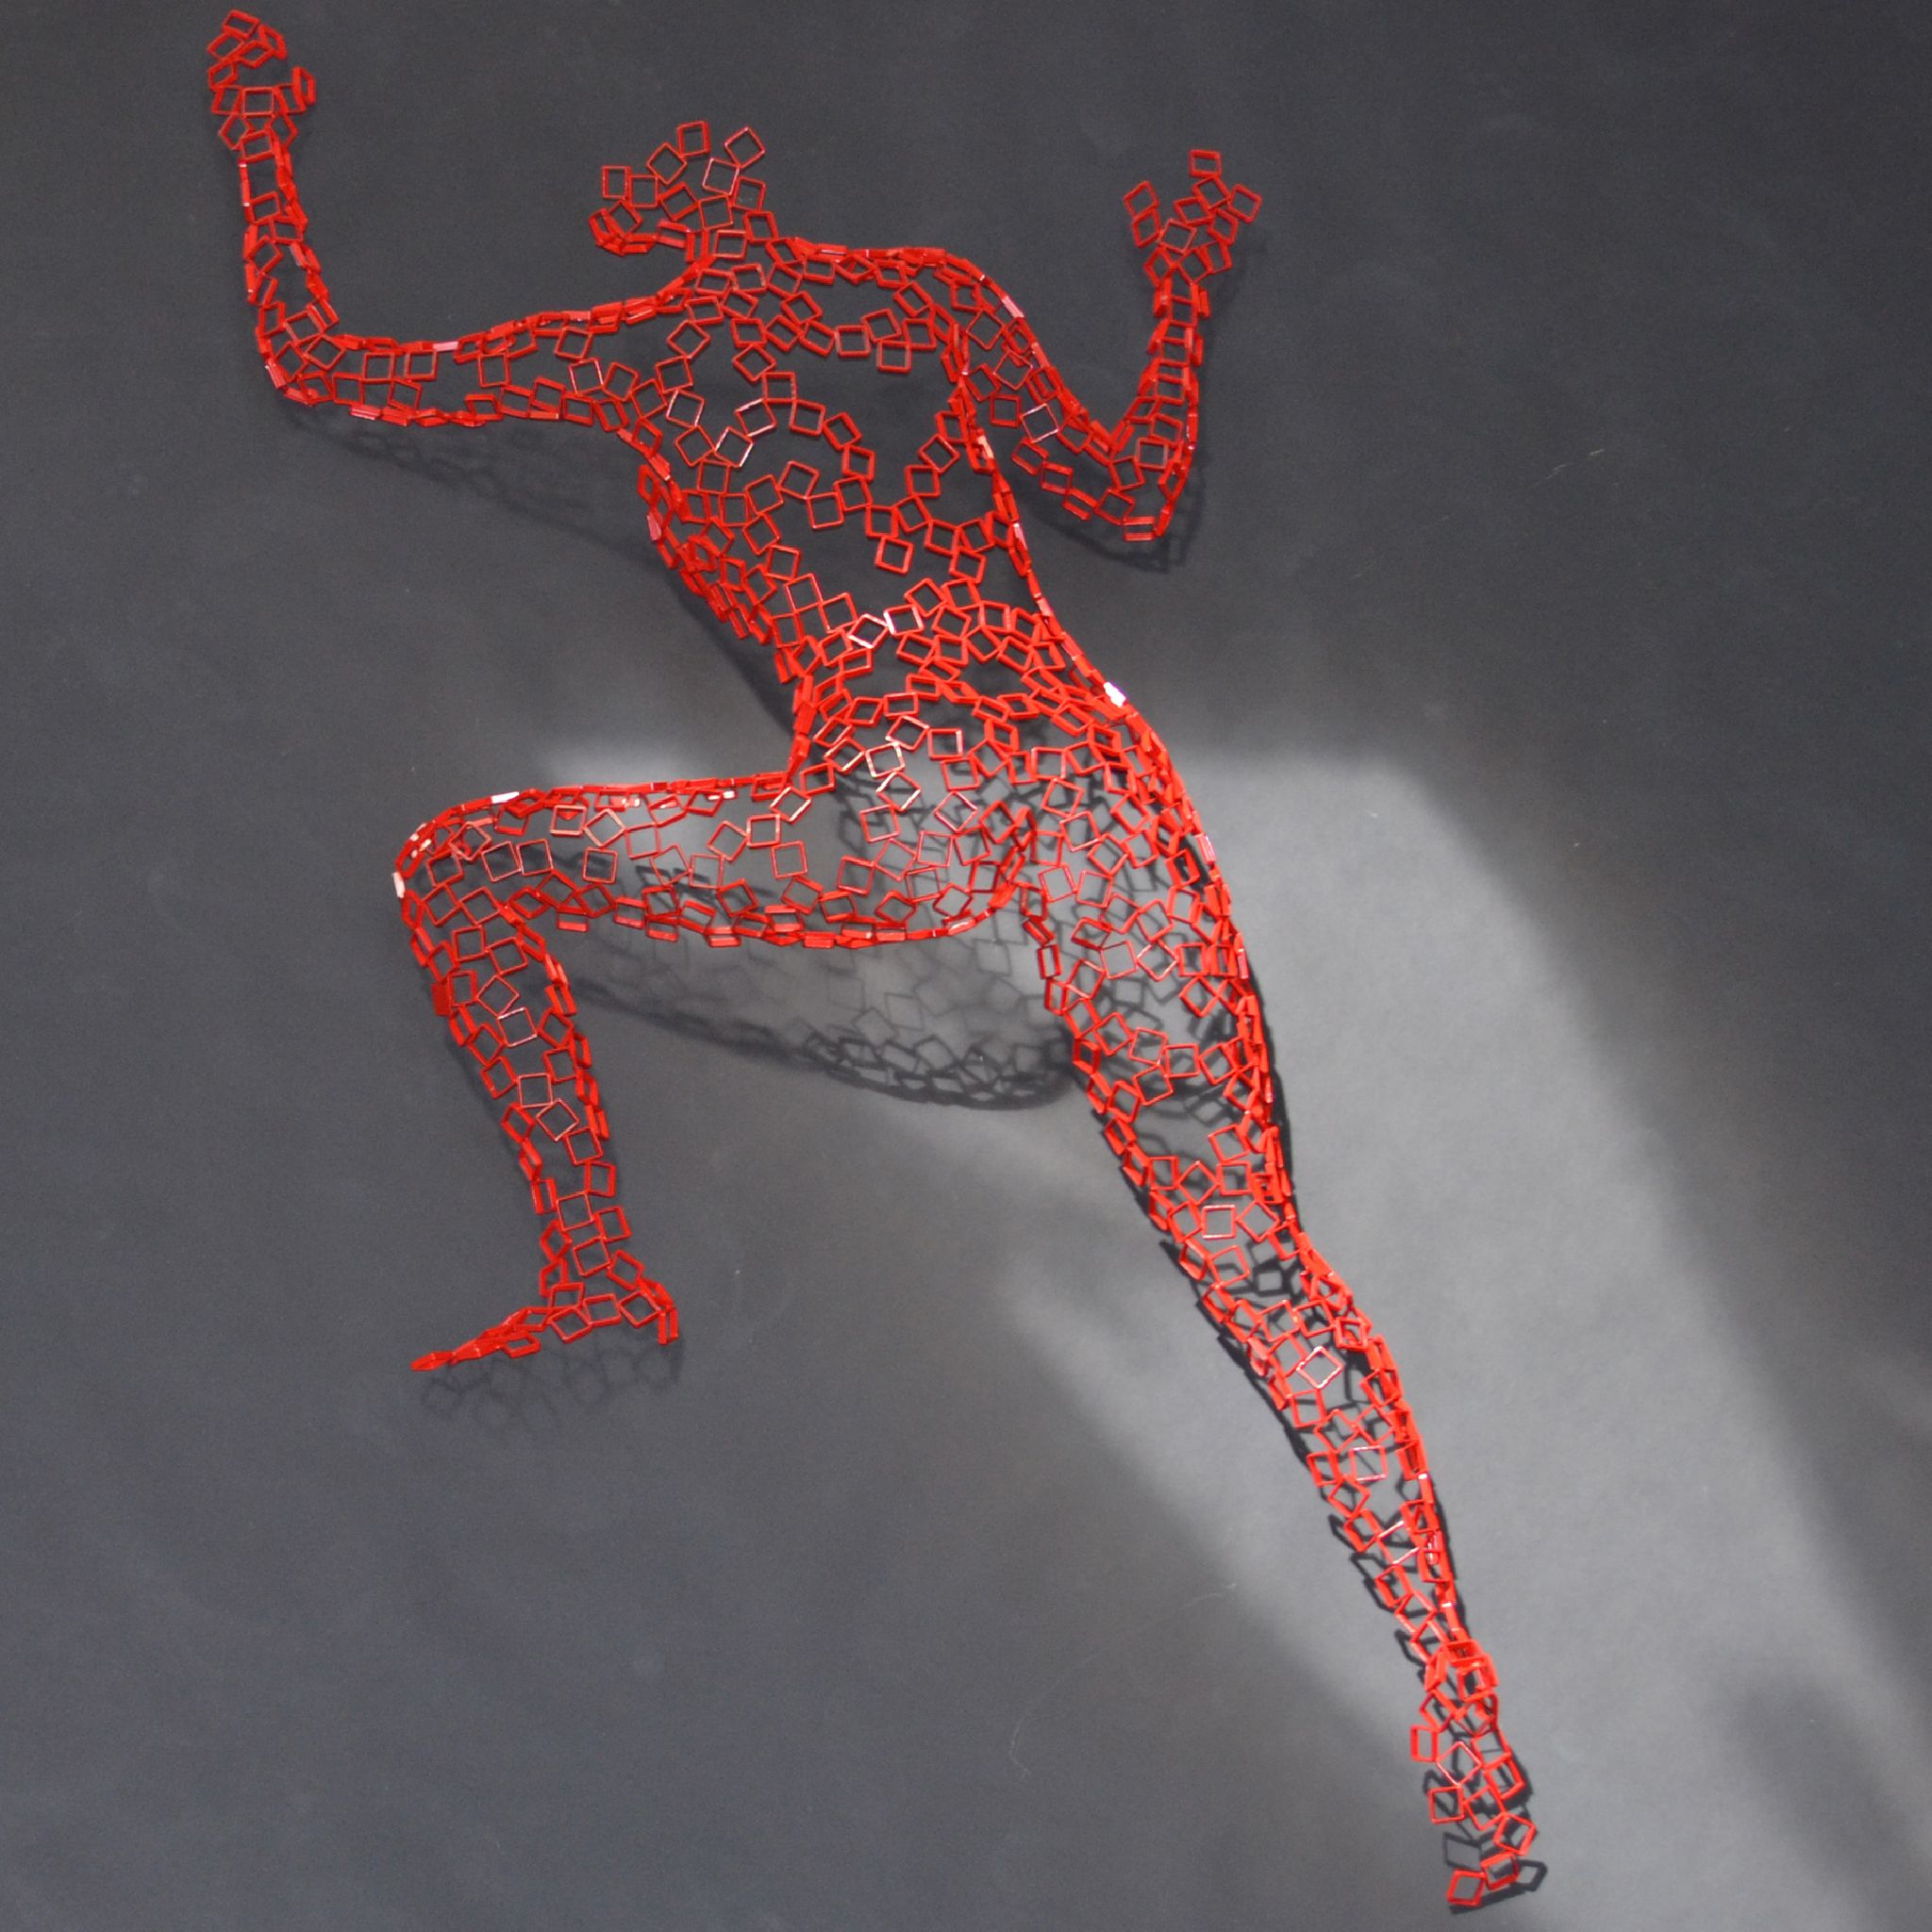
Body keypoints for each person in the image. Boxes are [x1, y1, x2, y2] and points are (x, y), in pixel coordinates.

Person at [208, 12, 1537, 1901]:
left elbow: (318, 363)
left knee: (461, 872)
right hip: (1106, 814)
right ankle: (1470, 1735)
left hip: (909, 810)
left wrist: (261, 145)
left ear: (657, 208)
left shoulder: (636, 354)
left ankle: (598, 1271)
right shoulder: (928, 302)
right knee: (1266, 1279)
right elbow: (1133, 502)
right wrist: (1175, 300)